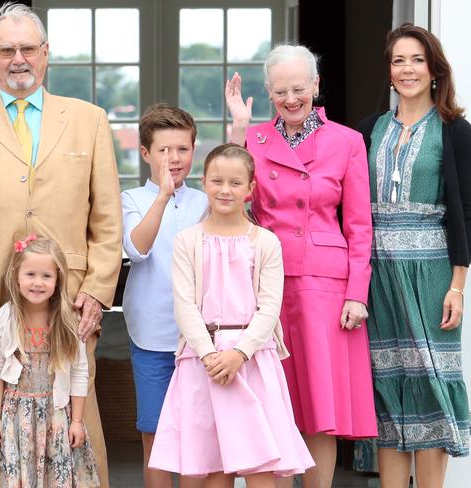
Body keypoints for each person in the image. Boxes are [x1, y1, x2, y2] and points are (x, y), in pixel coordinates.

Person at [0, 2, 121, 486]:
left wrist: (97, 290)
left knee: (79, 414)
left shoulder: (88, 120)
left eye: (28, 48)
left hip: (71, 295)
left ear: (46, 53)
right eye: (6, 50)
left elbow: (107, 217)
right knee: (0, 415)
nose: (18, 59)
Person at [226, 44, 377, 488]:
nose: (290, 100)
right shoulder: (253, 139)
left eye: (299, 89)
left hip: (324, 288)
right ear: (268, 92)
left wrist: (357, 294)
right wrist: (237, 129)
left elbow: (359, 225)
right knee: (268, 401)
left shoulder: (346, 141)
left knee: (317, 409)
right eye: (279, 92)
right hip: (263, 282)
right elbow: (233, 199)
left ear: (315, 85)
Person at [149, 143, 314, 487]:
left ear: (251, 189)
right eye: (217, 181)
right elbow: (185, 305)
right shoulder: (187, 241)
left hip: (253, 360)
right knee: (210, 467)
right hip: (202, 361)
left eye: (236, 183)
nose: (225, 190)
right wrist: (210, 355)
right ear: (204, 182)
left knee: (261, 466)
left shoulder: (265, 242)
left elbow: (269, 307)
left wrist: (240, 353)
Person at [357, 23, 470, 487]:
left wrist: (458, 286)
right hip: (377, 276)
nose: (407, 69)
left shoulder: (455, 130)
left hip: (431, 276)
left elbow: (467, 210)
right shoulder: (368, 131)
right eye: (399, 60)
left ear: (434, 69)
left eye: (417, 60)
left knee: (429, 384)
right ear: (389, 71)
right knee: (386, 387)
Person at [121, 103, 207, 488]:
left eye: (182, 150)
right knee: (156, 433)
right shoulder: (132, 200)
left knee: (195, 435)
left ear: (193, 150)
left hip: (200, 339)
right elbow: (137, 248)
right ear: (145, 153)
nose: (173, 159)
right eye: (163, 150)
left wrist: (239, 126)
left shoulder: (205, 202)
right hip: (151, 336)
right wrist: (161, 198)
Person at [0, 235, 99, 487]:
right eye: (30, 274)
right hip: (17, 417)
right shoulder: (6, 318)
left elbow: (79, 372)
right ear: (16, 275)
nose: (38, 283)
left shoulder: (67, 319)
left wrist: (78, 422)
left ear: (58, 278)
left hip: (56, 415)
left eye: (46, 276)